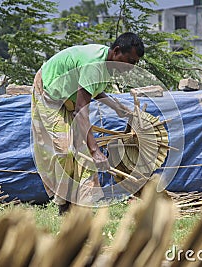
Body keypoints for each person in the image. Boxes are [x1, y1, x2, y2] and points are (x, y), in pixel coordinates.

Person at [31, 32, 144, 214]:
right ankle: (64, 205)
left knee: (83, 152)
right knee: (65, 150)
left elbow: (91, 89)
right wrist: (95, 150)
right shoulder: (94, 64)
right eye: (130, 61)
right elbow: (81, 112)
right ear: (116, 52)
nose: (131, 68)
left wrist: (115, 106)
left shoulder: (108, 65)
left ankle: (84, 205)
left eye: (135, 64)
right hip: (50, 92)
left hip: (70, 97)